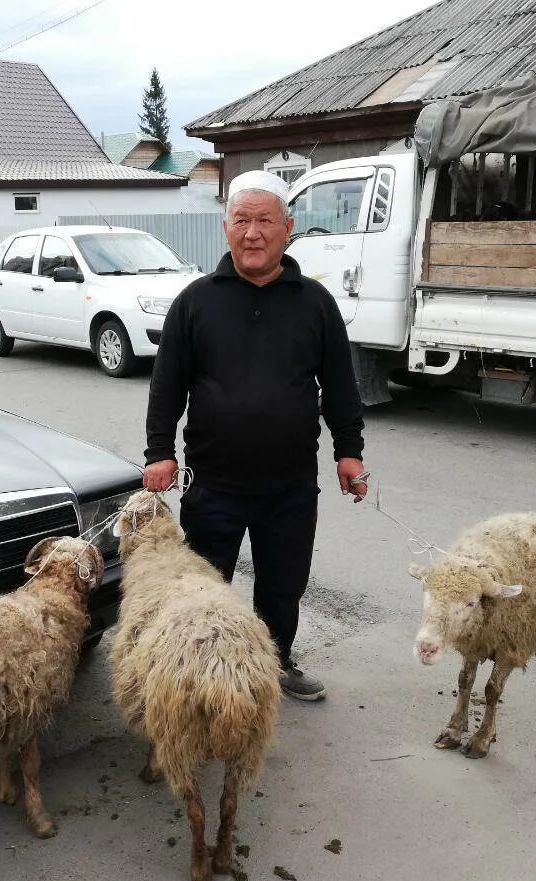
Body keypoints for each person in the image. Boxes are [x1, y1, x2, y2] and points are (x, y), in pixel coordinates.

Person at [143, 169, 367, 702]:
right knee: (203, 587)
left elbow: (339, 384)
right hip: (213, 482)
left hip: (289, 484)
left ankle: (277, 659)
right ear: (226, 230)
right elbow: (167, 383)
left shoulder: (315, 303)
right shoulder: (196, 301)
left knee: (283, 584)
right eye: (241, 221)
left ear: (287, 228)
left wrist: (349, 451)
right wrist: (159, 452)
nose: (253, 233)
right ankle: (203, 673)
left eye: (265, 220)